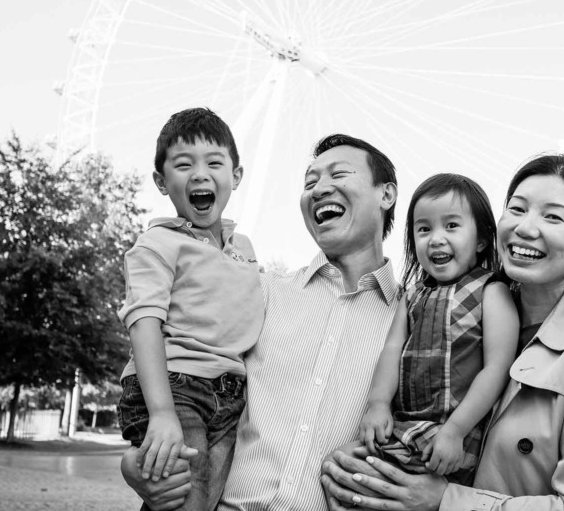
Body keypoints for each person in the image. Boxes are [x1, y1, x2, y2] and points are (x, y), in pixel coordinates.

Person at [321, 153, 564, 511]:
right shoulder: (437, 303)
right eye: (517, 209)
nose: (525, 227)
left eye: (552, 216)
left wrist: (445, 500)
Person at [123, 133, 401, 511]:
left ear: (386, 194)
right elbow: (174, 364)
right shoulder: (260, 293)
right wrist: (133, 462)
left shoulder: (411, 323)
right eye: (310, 182)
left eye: (339, 175)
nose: (320, 189)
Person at [116, 107, 265, 511]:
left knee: (206, 498)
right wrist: (161, 412)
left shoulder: (245, 250)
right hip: (177, 386)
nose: (200, 174)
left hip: (233, 393)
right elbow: (143, 322)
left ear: (235, 175)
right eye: (184, 165)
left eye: (214, 163)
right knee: (187, 495)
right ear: (162, 182)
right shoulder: (156, 244)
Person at [358, 174, 518, 484]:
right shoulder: (412, 294)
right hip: (404, 428)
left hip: (455, 433)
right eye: (424, 229)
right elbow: (392, 351)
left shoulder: (491, 291)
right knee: (347, 477)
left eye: (452, 226)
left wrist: (455, 430)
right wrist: (377, 404)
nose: (436, 238)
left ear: (483, 239)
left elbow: (497, 369)